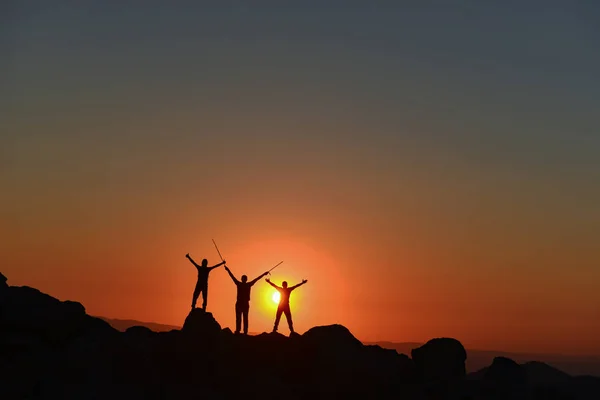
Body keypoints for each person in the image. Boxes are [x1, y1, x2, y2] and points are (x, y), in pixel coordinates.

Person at [224, 265, 269, 335]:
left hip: (241, 303)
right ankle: (243, 331)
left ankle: (240, 331)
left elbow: (232, 277)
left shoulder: (240, 284)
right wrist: (264, 274)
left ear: (242, 279)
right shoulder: (247, 284)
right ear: (245, 279)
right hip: (243, 303)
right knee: (243, 318)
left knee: (240, 318)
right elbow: (256, 279)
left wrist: (228, 270)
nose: (243, 280)